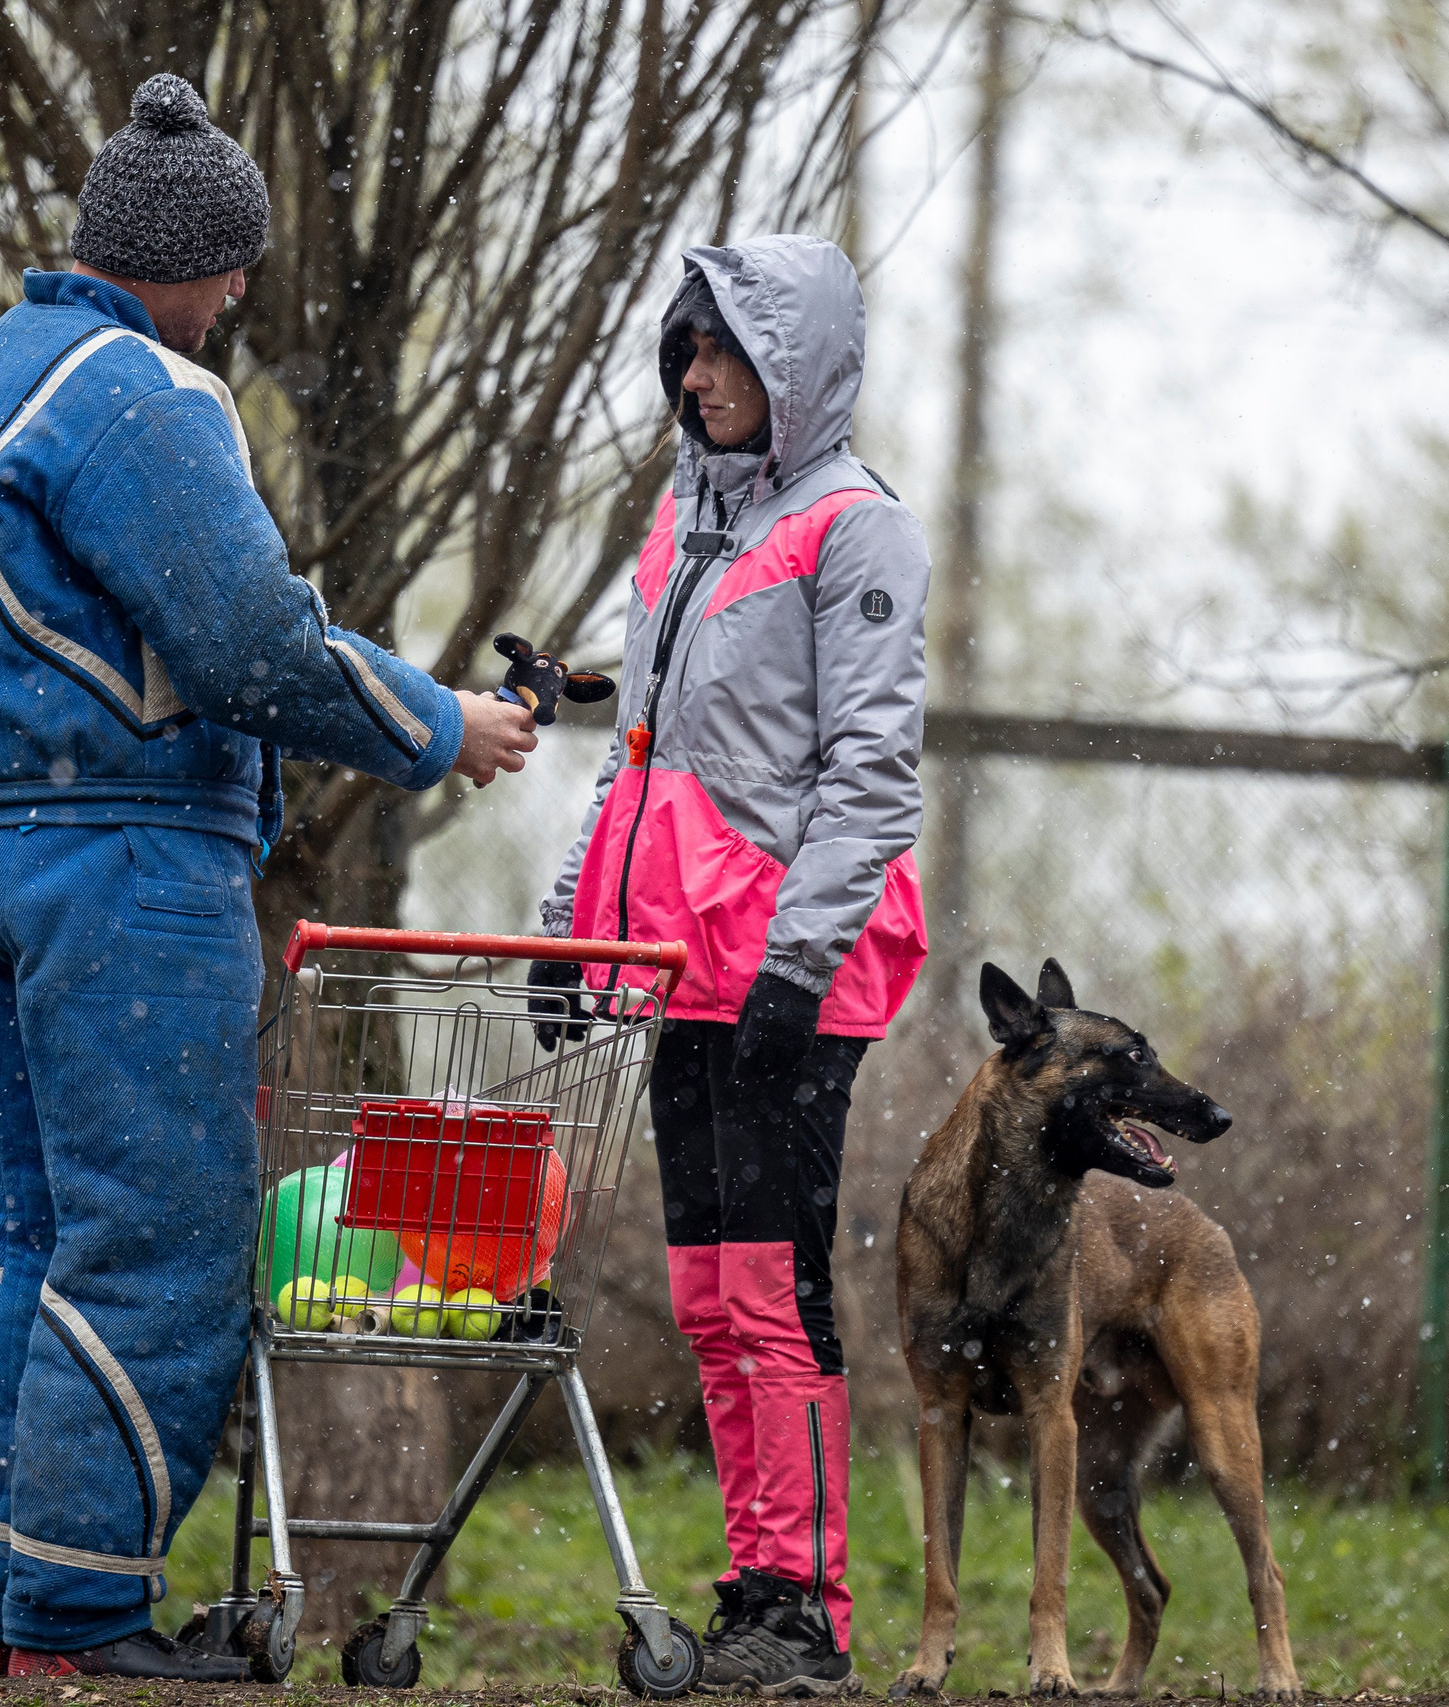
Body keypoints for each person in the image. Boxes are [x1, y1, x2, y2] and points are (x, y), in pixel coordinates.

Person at [0, 73, 536, 1682]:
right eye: (231, 264)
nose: (242, 293)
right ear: (174, 260)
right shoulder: (142, 396)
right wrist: (435, 724)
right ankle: (80, 1611)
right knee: (162, 1242)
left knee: (30, 1229)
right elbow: (254, 649)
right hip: (117, 867)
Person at [531, 235, 928, 1696]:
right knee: (708, 1287)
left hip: (783, 967)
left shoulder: (855, 529)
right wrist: (579, 931)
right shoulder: (679, 528)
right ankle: (757, 1583)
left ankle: (804, 1609)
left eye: (724, 354)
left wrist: (797, 967)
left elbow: (874, 779)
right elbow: (638, 759)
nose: (696, 379)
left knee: (774, 1280)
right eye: (685, 355)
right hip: (676, 956)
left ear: (793, 367)